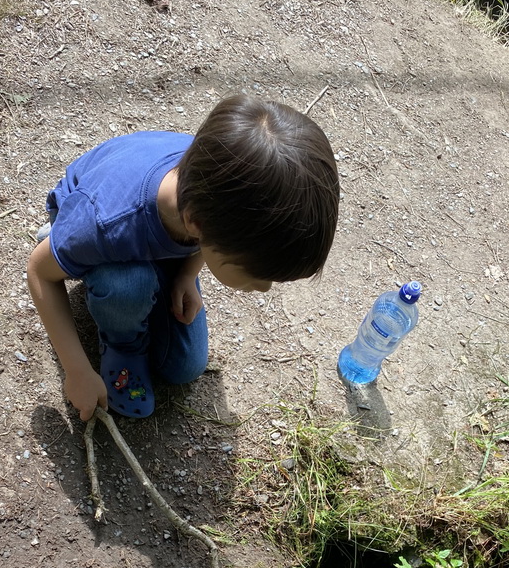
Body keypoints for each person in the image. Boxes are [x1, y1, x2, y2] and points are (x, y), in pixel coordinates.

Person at [27, 94, 339, 421]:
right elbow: (38, 271)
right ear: (197, 225)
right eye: (256, 275)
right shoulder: (107, 222)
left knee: (184, 366)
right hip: (102, 219)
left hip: (165, 231)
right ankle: (69, 250)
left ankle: (130, 270)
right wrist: (76, 370)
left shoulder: (216, 184)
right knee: (128, 285)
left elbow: (201, 235)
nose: (263, 288)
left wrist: (187, 274)